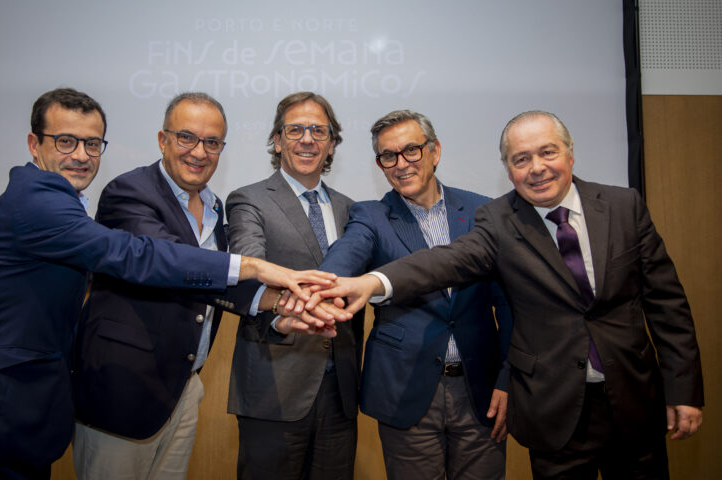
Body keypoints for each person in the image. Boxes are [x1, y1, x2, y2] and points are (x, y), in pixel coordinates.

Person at [0, 88, 337, 480]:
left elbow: (201, 283)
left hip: (134, 393)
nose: (81, 155)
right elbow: (141, 256)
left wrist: (276, 305)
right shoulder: (52, 199)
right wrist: (255, 267)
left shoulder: (208, 207)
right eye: (66, 141)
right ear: (34, 144)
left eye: (92, 144)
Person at [313, 110, 704, 479]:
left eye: (547, 152)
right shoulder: (482, 220)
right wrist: (356, 284)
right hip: (502, 402)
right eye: (521, 159)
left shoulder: (611, 207)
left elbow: (665, 305)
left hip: (618, 399)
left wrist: (683, 390)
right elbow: (442, 261)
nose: (537, 168)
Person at [315, 109, 513, 479]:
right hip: (404, 389)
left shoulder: (483, 211)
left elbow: (507, 303)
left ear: (434, 151)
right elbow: (346, 255)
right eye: (388, 156)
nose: (401, 164)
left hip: (480, 389)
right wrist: (323, 286)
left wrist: (508, 378)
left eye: (411, 150)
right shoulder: (371, 216)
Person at [226, 92, 363, 479]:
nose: (307, 139)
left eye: (319, 131)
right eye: (295, 130)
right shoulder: (249, 199)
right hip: (274, 387)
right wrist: (282, 312)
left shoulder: (352, 209)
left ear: (331, 143)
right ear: (277, 140)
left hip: (340, 393)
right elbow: (247, 268)